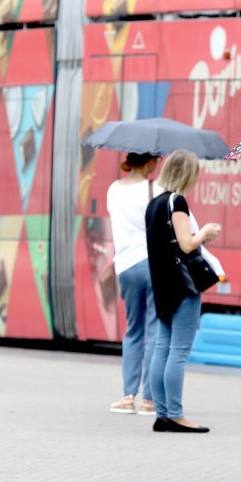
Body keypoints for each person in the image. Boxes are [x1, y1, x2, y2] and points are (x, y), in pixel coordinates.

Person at [144, 150, 221, 433]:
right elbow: (187, 244)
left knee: (161, 348)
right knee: (177, 351)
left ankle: (162, 414)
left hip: (162, 285)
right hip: (183, 286)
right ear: (187, 174)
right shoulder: (178, 201)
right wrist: (206, 234)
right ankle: (175, 414)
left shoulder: (153, 204)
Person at [107, 152, 162, 416]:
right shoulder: (157, 189)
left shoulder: (114, 190)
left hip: (126, 266)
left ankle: (128, 397)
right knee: (153, 332)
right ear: (150, 163)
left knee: (133, 331)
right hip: (152, 265)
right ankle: (149, 401)